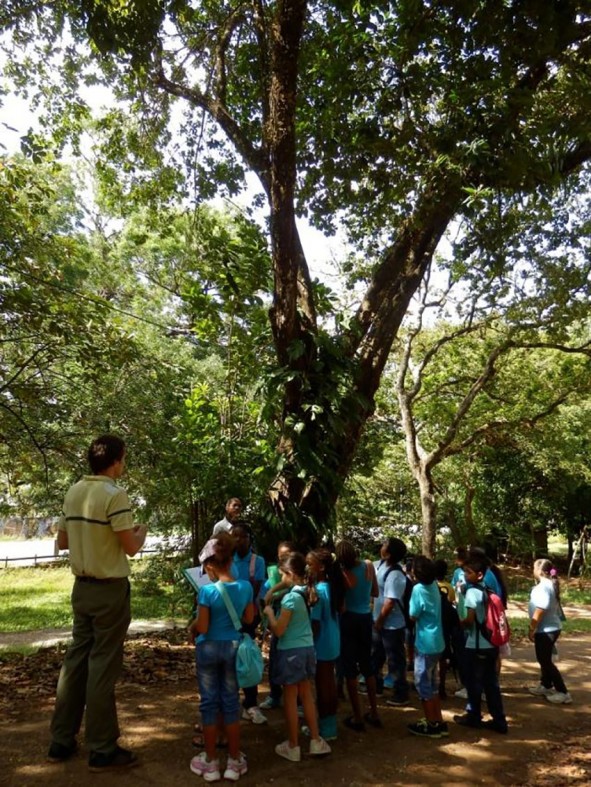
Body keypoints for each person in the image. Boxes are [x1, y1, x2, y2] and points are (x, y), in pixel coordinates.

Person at [46, 435, 147, 772]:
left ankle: (61, 740)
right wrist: (141, 531)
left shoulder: (74, 491)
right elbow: (130, 547)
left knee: (76, 660)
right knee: (102, 665)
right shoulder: (114, 495)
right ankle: (102, 748)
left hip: (81, 588)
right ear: (116, 461)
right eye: (124, 458)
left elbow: (61, 540)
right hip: (109, 590)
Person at [188, 535, 254, 782]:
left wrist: (193, 625)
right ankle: (234, 760)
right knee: (230, 702)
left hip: (208, 650)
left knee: (209, 703)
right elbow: (248, 619)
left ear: (212, 565)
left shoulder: (206, 591)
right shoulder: (246, 587)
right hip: (232, 648)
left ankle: (211, 761)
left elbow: (203, 627)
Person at [263, 552, 331, 762]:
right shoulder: (307, 591)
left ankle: (293, 746)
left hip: (291, 652)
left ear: (290, 573)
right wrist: (276, 590)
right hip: (308, 649)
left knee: (291, 699)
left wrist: (269, 613)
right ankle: (316, 740)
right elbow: (288, 587)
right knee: (306, 694)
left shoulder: (291, 599)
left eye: (282, 574)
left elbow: (279, 630)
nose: (280, 578)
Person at [453, 554, 508, 734]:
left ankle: (473, 716)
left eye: (468, 573)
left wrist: (459, 623)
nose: (466, 576)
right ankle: (499, 720)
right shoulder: (487, 589)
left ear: (479, 575)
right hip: (491, 644)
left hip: (476, 645)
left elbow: (469, 620)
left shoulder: (472, 592)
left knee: (473, 682)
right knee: (490, 683)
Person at [335, 540, 381, 731]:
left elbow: (342, 605)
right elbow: (375, 592)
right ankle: (374, 712)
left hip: (348, 620)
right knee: (366, 664)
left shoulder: (341, 574)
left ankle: (357, 716)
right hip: (365, 618)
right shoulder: (369, 565)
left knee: (349, 667)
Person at [306, 547, 347, 740]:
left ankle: (325, 727)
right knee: (329, 683)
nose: (307, 567)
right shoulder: (333, 586)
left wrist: (309, 643)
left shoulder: (318, 592)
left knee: (323, 686)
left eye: (310, 564)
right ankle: (329, 725)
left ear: (320, 567)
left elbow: (315, 623)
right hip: (334, 640)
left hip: (321, 642)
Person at [407, 556, 447, 738]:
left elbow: (413, 614)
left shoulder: (418, 589)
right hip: (437, 642)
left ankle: (431, 724)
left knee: (423, 685)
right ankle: (438, 720)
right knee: (432, 685)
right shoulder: (434, 586)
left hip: (425, 643)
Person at [231, 522, 267, 724]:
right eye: (233, 536)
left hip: (248, 618)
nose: (237, 540)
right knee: (230, 658)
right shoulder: (227, 560)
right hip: (229, 617)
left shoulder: (257, 561)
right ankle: (232, 702)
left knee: (248, 656)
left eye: (241, 536)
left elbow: (255, 588)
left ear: (248, 538)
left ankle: (251, 703)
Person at [372, 537, 410, 707]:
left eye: (385, 545)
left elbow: (390, 602)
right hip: (380, 621)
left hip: (392, 624)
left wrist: (380, 621)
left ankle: (401, 693)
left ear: (389, 552)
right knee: (377, 655)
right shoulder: (381, 566)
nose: (382, 546)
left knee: (395, 660)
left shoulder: (395, 574)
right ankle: (376, 686)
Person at [527, 559, 572, 704]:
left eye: (534, 567)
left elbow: (540, 609)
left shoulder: (543, 587)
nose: (532, 570)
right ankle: (546, 685)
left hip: (546, 629)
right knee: (544, 659)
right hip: (551, 627)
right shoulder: (550, 584)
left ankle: (563, 692)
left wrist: (532, 628)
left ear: (539, 571)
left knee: (545, 661)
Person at [259, 541, 295, 711]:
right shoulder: (274, 573)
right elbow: (265, 592)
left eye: (287, 555)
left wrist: (274, 594)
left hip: (294, 627)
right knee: (274, 659)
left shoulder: (300, 574)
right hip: (276, 622)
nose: (284, 558)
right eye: (281, 556)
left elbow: (292, 588)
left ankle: (299, 702)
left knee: (293, 663)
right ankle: (275, 695)